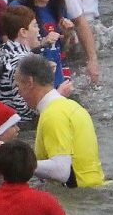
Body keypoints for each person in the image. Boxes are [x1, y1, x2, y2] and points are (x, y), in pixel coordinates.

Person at [11, 54, 105, 188]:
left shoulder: (53, 114)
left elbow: (61, 171)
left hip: (75, 200)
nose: (18, 91)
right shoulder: (71, 106)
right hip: (93, 188)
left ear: (30, 82)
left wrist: (16, 162)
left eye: (18, 84)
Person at [17, 0, 100, 87]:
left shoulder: (58, 5)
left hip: (58, 79)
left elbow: (62, 48)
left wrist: (66, 34)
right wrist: (42, 43)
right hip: (33, 83)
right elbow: (14, 54)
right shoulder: (18, 9)